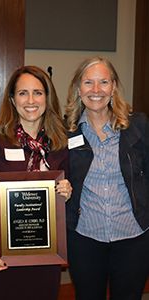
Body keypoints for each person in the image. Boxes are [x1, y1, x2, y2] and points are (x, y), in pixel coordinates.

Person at [0, 65, 72, 300]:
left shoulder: (59, 141)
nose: (31, 100)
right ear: (12, 98)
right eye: (22, 93)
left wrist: (67, 191)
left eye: (38, 92)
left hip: (44, 253)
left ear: (47, 98)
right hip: (0, 251)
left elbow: (65, 197)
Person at [65, 56, 149, 300]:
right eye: (88, 82)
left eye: (103, 82)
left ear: (113, 87)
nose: (96, 90)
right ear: (78, 89)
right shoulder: (66, 132)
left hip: (133, 237)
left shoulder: (138, 126)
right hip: (85, 239)